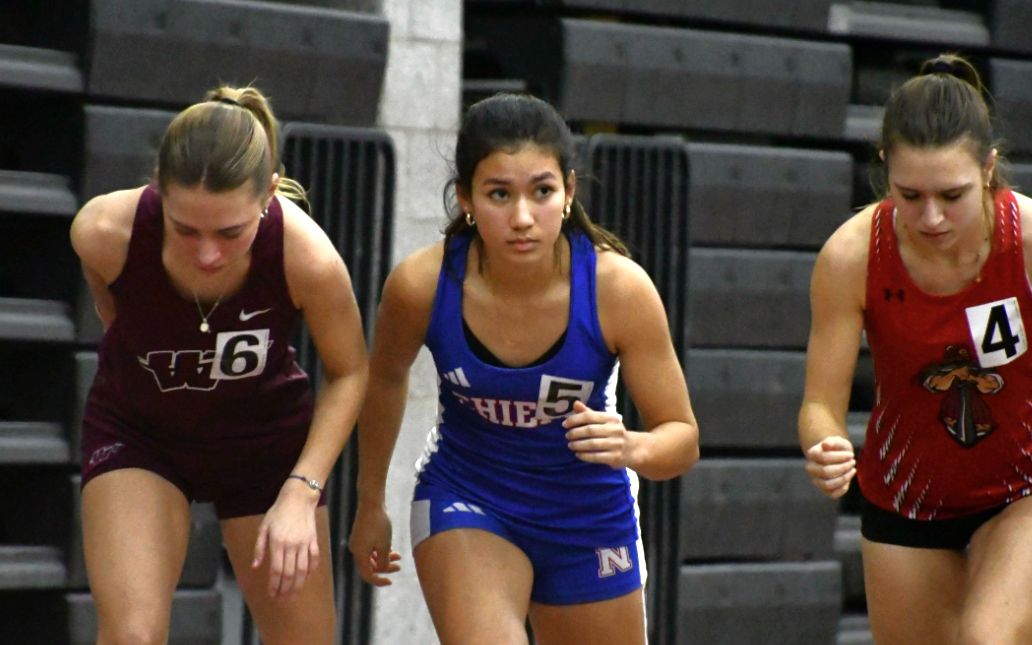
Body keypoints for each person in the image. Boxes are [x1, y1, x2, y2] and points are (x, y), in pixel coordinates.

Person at [348, 93, 700, 645]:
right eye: (498, 194)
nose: (521, 218)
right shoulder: (420, 285)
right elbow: (384, 378)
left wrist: (630, 446)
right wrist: (370, 502)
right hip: (467, 496)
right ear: (465, 198)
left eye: (541, 192)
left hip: (586, 513)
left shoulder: (619, 289)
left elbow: (682, 439)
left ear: (568, 193)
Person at [70, 86, 372, 645]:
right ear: (158, 189)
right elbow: (115, 318)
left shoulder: (307, 258)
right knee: (131, 636)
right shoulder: (102, 234)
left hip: (264, 446)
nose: (207, 254)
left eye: (230, 233)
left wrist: (302, 492)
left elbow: (351, 371)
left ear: (270, 194)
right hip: (142, 432)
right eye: (185, 230)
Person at [800, 54, 1032, 644]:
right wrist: (823, 444)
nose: (931, 217)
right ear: (884, 169)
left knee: (986, 636)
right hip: (907, 497)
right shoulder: (851, 257)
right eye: (910, 195)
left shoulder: (1026, 240)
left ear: (989, 168)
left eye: (952, 195)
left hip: (1020, 488)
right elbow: (819, 405)